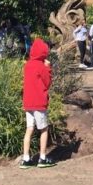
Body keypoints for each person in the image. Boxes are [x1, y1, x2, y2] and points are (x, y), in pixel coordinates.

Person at [19, 37, 56, 168]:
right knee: (44, 129)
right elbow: (47, 83)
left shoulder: (28, 65)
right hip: (39, 102)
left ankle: (26, 158)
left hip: (28, 102)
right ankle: (42, 157)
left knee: (29, 129)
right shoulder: (41, 66)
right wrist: (48, 68)